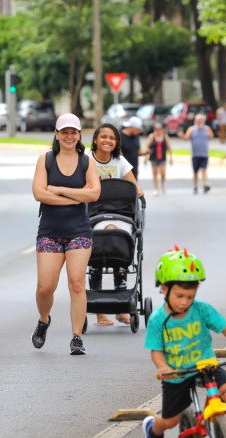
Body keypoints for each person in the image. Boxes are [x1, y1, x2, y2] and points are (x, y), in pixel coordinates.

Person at [142, 247, 226, 438]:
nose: (185, 302)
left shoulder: (202, 309)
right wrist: (163, 367)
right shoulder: (158, 319)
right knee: (170, 421)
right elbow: (156, 351)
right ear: (164, 289)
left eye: (190, 296)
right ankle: (152, 430)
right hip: (177, 372)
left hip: (206, 365)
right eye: (179, 296)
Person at [31, 113, 100, 355]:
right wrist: (75, 195)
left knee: (77, 283)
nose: (69, 136)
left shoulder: (86, 162)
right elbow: (39, 194)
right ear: (57, 134)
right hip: (50, 232)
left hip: (79, 232)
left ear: (80, 135)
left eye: (73, 132)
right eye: (64, 132)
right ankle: (43, 319)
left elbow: (94, 195)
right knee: (45, 287)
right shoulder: (46, 160)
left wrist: (59, 190)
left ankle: (77, 337)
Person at [87, 122, 143, 327]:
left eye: (112, 138)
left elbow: (135, 187)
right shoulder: (87, 161)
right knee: (96, 257)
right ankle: (100, 312)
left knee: (121, 245)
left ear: (116, 142)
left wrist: (135, 192)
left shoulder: (120, 162)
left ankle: (121, 308)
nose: (107, 141)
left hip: (121, 216)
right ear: (95, 139)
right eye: (103, 137)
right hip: (93, 216)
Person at [179, 113, 214, 194]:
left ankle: (205, 185)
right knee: (195, 172)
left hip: (204, 154)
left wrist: (209, 134)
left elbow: (212, 136)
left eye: (201, 120)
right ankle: (195, 186)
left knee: (204, 169)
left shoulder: (207, 129)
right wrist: (182, 136)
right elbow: (186, 138)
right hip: (195, 154)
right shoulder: (191, 129)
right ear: (195, 121)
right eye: (198, 120)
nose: (199, 122)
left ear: (203, 121)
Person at [143, 123, 173, 196]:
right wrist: (145, 158)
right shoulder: (151, 136)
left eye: (159, 129)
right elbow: (147, 147)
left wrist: (171, 157)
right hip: (153, 157)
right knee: (155, 173)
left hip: (162, 157)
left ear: (162, 129)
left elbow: (169, 147)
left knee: (163, 172)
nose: (158, 131)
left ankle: (162, 185)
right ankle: (156, 189)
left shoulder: (165, 136)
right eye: (156, 129)